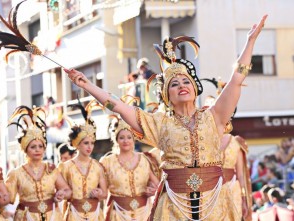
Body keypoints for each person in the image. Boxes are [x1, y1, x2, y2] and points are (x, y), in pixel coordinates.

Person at [64, 15, 267, 220]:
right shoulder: (158, 123)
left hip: (215, 205)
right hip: (174, 208)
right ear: (167, 96)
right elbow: (116, 105)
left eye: (186, 81)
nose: (181, 86)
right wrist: (85, 85)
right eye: (174, 84)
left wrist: (250, 41)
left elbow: (237, 79)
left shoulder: (214, 116)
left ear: (195, 90)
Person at [6, 106, 72, 221]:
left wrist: (61, 194)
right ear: (25, 149)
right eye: (33, 147)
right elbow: (7, 199)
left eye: (40, 146)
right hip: (26, 217)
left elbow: (68, 191)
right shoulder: (15, 173)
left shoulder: (51, 169)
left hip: (52, 216)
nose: (38, 150)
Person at [99, 115, 159, 221]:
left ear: (134, 139)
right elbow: (99, 189)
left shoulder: (144, 159)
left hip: (143, 214)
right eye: (121, 137)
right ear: (116, 140)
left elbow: (158, 185)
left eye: (129, 137)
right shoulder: (107, 162)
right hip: (118, 214)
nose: (125, 141)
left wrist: (153, 191)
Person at [59, 100, 107, 221]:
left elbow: (105, 194)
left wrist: (99, 193)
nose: (89, 147)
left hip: (95, 216)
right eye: (86, 143)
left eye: (92, 143)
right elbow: (61, 191)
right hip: (74, 215)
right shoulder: (66, 167)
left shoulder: (98, 166)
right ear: (77, 144)